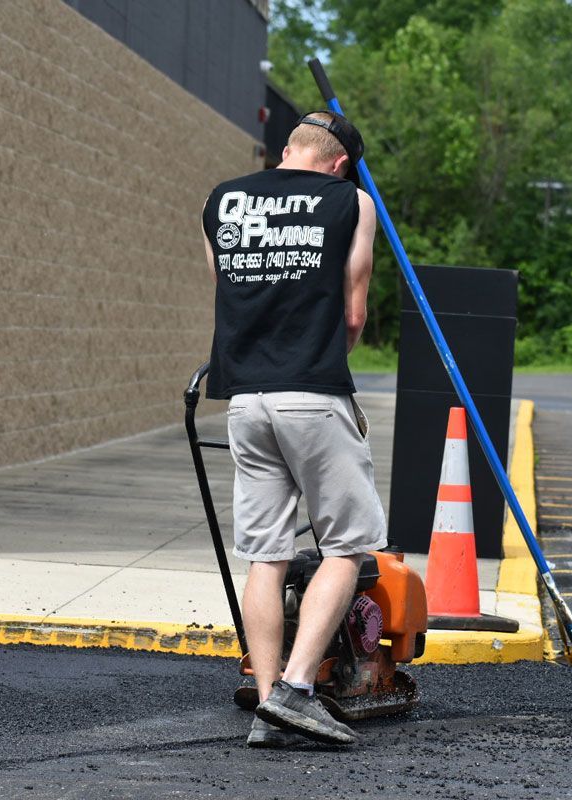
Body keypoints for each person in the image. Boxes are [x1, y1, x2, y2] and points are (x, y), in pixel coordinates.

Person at [200, 111, 384, 748]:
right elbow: (354, 312)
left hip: (244, 398)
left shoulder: (221, 198)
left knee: (266, 554)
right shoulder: (352, 202)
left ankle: (267, 700)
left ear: (286, 151)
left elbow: (228, 290)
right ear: (339, 164)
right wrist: (326, 348)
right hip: (311, 392)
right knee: (346, 547)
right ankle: (298, 691)